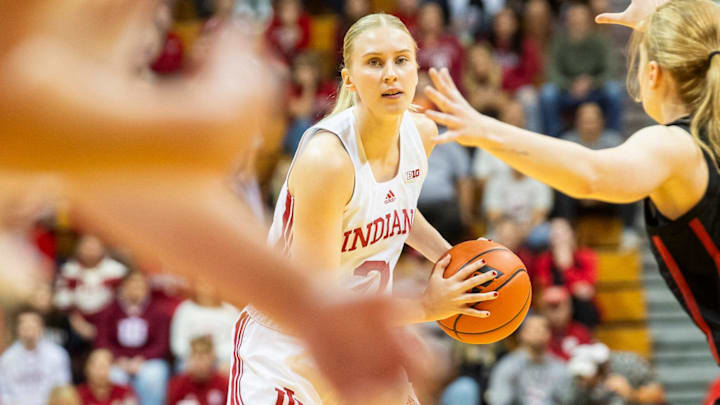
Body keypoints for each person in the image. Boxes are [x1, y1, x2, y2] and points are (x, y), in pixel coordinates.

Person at [0, 1, 431, 402]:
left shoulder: (414, 136)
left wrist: (308, 304)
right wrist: (214, 110)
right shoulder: (328, 155)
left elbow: (119, 176)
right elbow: (30, 110)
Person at [423, 0, 720, 373]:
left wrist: (485, 130)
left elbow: (591, 174)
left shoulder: (676, 146)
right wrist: (671, 17)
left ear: (654, 74)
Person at [229, 13, 499, 405]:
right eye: (374, 62)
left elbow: (397, 211)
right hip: (289, 349)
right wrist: (427, 306)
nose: (391, 74)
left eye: (401, 60)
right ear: (349, 78)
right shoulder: (329, 161)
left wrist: (455, 261)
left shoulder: (421, 133)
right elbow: (320, 305)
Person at [486, 314, 571, 405]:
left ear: (549, 334)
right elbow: (499, 400)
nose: (539, 332)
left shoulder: (560, 367)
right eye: (533, 329)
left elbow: (568, 399)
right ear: (521, 334)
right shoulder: (507, 366)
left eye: (543, 328)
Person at [0, 307, 72, 405]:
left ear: (42, 327)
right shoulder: (6, 358)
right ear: (17, 329)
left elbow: (62, 389)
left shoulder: (58, 354)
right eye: (24, 325)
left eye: (33, 325)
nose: (29, 329)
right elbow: (4, 392)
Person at [167, 336, 228, 405]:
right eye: (196, 357)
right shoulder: (177, 384)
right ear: (188, 359)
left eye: (203, 358)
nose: (199, 363)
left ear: (213, 359)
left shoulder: (224, 384)